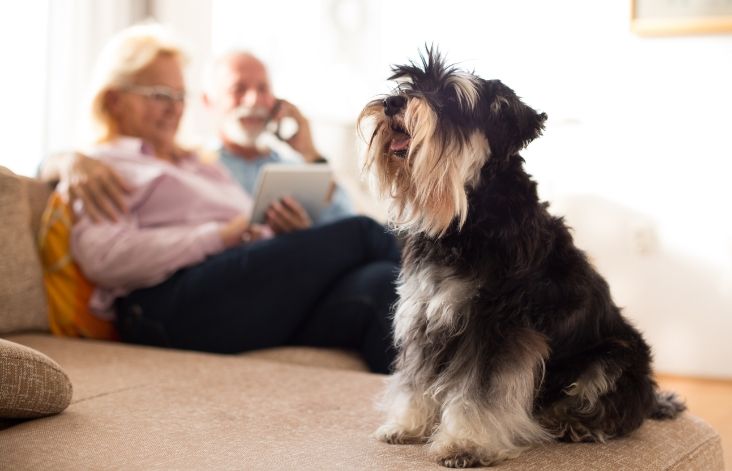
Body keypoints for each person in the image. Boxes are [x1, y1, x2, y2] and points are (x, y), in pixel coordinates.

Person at [67, 23, 399, 373]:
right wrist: (220, 235)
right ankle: (458, 281)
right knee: (362, 232)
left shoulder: (196, 163)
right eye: (159, 95)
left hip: (235, 293)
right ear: (114, 99)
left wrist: (282, 237)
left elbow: (246, 237)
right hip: (164, 307)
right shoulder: (101, 166)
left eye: (180, 97)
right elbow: (102, 258)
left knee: (381, 284)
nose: (174, 109)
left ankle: (426, 418)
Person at [201, 51, 353, 227]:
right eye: (238, 89)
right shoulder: (196, 168)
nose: (253, 100)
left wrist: (310, 152)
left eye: (263, 89)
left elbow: (347, 222)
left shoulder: (293, 167)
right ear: (207, 101)